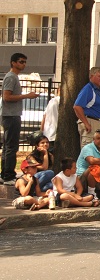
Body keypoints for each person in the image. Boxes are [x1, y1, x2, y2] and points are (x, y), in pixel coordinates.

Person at [2, 53, 39, 183]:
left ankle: (4, 174)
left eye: (24, 62)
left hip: (11, 115)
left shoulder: (13, 77)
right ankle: (8, 176)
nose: (23, 64)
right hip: (11, 115)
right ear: (13, 63)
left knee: (8, 146)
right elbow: (6, 97)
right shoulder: (11, 77)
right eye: (20, 62)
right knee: (11, 146)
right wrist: (26, 96)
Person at [73, 66, 100, 147]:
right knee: (90, 151)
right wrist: (86, 123)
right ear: (91, 76)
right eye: (99, 76)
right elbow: (77, 106)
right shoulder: (88, 89)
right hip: (92, 122)